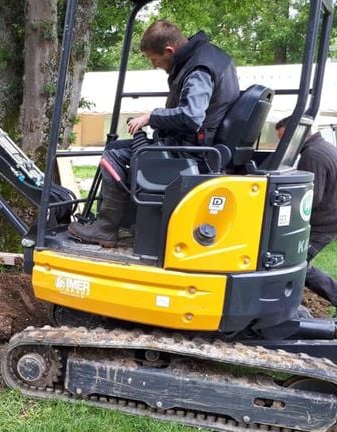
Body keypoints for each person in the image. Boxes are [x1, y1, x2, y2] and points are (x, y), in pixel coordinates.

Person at [69, 20, 239, 247]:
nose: (154, 65)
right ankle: (128, 221)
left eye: (154, 60)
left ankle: (105, 228)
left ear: (169, 50)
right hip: (198, 146)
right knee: (121, 149)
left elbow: (191, 116)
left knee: (113, 154)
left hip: (192, 153)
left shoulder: (198, 69)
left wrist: (152, 117)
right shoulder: (210, 57)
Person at [276, 116, 337, 305]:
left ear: (298, 133)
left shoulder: (312, 155)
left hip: (324, 224)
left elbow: (311, 198)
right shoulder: (324, 147)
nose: (283, 144)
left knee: (295, 263)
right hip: (330, 217)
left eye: (283, 139)